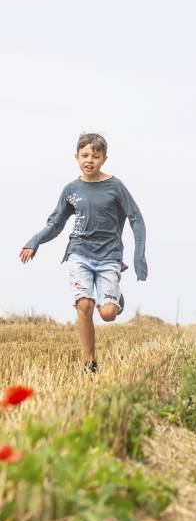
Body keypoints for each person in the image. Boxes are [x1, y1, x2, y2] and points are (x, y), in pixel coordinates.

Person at [19, 134, 147, 374]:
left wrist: (139, 256)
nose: (90, 160)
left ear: (104, 158)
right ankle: (90, 363)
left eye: (96, 156)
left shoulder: (115, 186)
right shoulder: (71, 189)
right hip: (79, 252)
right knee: (85, 305)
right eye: (85, 155)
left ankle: (114, 298)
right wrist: (35, 240)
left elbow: (136, 219)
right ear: (76, 157)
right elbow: (55, 223)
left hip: (109, 255)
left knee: (107, 314)